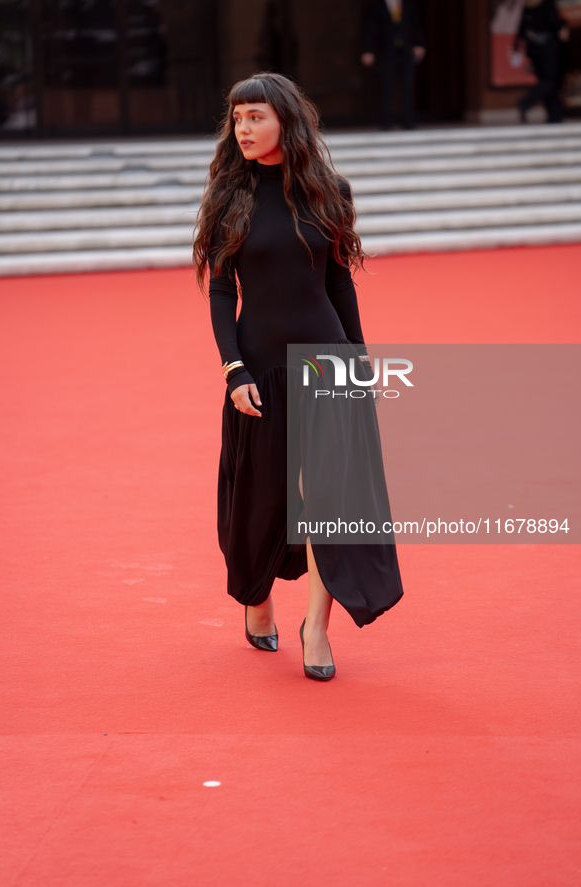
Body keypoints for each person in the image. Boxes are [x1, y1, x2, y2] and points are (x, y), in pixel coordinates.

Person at [193, 72, 403, 682]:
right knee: (259, 499)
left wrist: (359, 363)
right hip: (258, 368)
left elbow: (338, 284)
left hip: (326, 361)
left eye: (255, 116)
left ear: (286, 119)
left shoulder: (328, 191)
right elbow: (221, 294)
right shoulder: (228, 198)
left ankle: (317, 627)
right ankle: (256, 600)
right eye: (236, 119)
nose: (244, 129)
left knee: (329, 502)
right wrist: (234, 370)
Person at [361, 0, 426, 130]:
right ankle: (385, 122)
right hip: (386, 52)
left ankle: (408, 121)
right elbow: (369, 28)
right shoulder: (377, 6)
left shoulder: (408, 5)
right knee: (386, 86)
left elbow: (416, 25)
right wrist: (367, 50)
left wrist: (420, 44)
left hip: (406, 51)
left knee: (408, 86)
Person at [514, 0, 570, 123]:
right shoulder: (547, 4)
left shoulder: (528, 5)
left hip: (533, 48)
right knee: (550, 81)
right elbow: (553, 20)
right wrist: (562, 27)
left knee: (546, 82)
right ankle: (527, 101)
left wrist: (516, 46)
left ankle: (554, 117)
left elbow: (522, 27)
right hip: (547, 47)